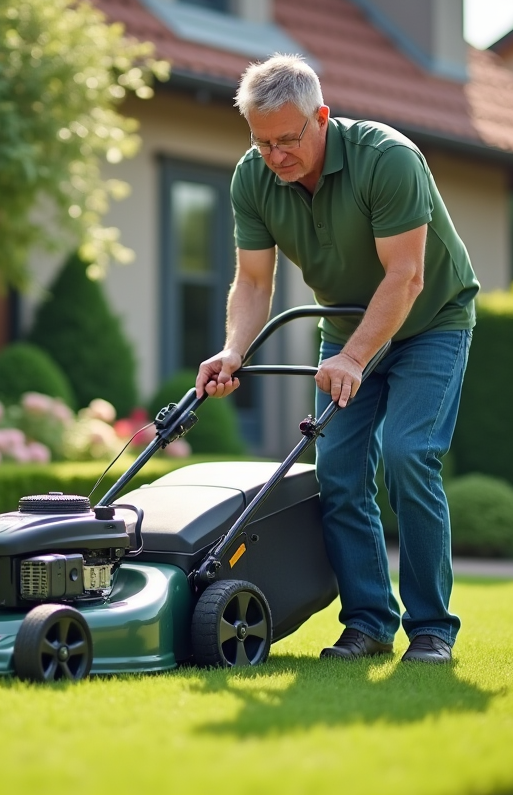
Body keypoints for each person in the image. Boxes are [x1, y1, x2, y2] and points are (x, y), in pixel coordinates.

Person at [195, 54, 479, 664]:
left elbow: (406, 278)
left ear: (321, 117)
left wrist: (354, 357)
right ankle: (370, 624)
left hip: (431, 324)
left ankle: (431, 630)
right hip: (345, 328)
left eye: (288, 139)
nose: (275, 156)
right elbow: (251, 281)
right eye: (262, 141)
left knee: (408, 456)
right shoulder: (254, 177)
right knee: (340, 472)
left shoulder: (388, 160)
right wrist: (232, 350)